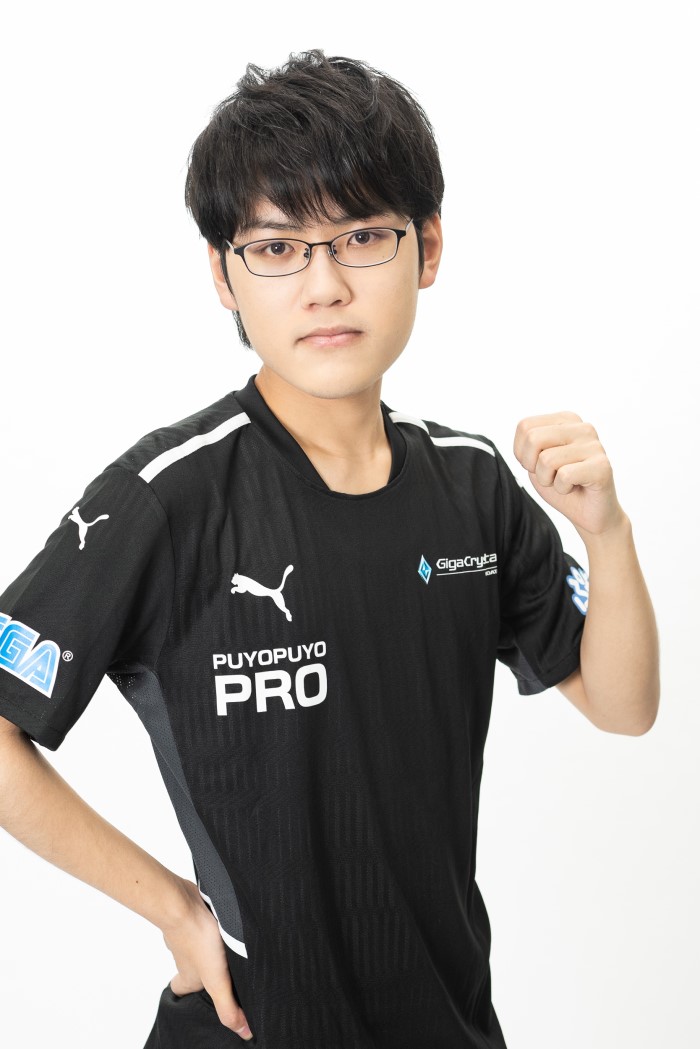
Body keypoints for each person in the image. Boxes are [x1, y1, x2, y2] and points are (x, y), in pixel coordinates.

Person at [0, 48, 659, 1049]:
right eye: (276, 247)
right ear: (222, 273)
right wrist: (174, 907)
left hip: (446, 1020)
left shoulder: (473, 486)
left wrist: (605, 532)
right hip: (252, 1022)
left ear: (426, 247)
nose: (323, 284)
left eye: (361, 237)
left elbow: (623, 704)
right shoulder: (166, 497)